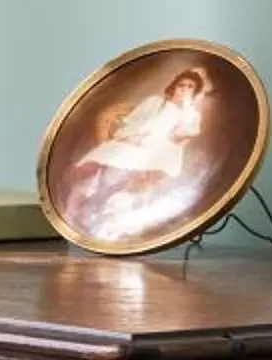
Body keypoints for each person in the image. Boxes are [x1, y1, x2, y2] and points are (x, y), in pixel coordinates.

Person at [65, 64, 213, 246]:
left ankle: (113, 212)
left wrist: (187, 107)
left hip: (162, 149)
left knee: (131, 168)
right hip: (136, 141)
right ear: (174, 86)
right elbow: (130, 122)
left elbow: (184, 133)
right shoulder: (154, 102)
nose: (184, 90)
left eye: (190, 87)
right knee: (107, 157)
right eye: (182, 85)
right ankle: (89, 205)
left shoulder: (191, 115)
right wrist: (131, 136)